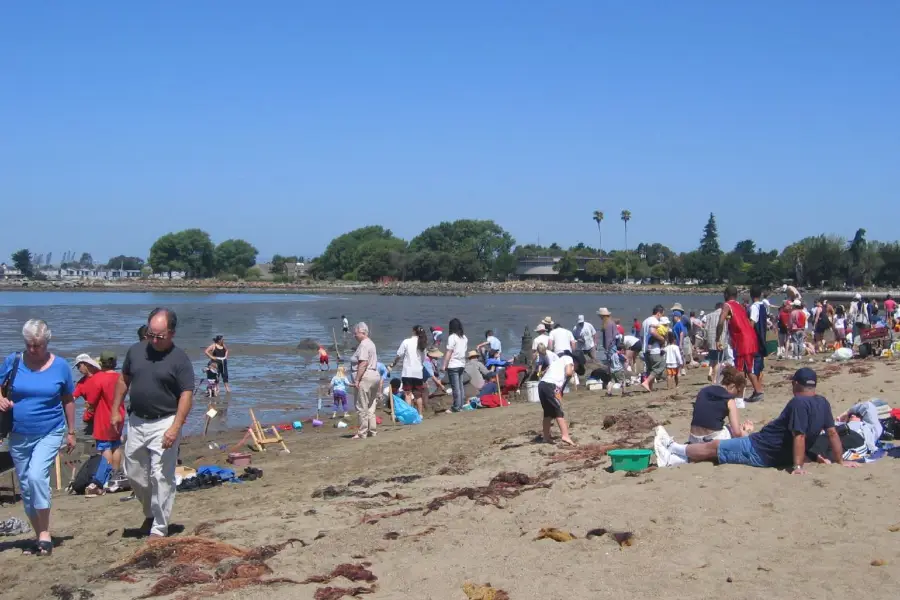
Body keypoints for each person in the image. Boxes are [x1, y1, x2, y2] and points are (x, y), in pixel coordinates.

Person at [656, 368, 859, 475]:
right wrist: (840, 461)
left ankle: (673, 448)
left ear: (796, 384)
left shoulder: (798, 403)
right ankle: (673, 460)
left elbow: (800, 435)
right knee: (720, 452)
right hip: (773, 451)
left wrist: (798, 467)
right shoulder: (822, 402)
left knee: (715, 448)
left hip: (760, 449)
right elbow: (832, 433)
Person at [111, 308, 194, 538]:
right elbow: (123, 379)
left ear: (172, 333)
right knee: (133, 472)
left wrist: (175, 427)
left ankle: (159, 528)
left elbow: (187, 394)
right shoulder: (136, 351)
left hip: (165, 421)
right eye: (150, 334)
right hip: (136, 420)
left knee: (161, 475)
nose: (154, 340)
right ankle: (150, 512)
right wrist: (115, 409)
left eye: (160, 336)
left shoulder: (180, 359)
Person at [0, 320, 76, 555]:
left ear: (47, 342)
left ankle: (44, 534)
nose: (33, 350)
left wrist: (71, 432)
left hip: (50, 431)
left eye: (38, 345)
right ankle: (39, 533)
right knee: (26, 486)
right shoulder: (13, 362)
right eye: (29, 345)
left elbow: (68, 399)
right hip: (18, 433)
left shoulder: (61, 366)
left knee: (36, 476)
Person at [654, 368, 754, 466]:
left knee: (727, 430)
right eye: (738, 391)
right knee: (736, 438)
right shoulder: (729, 401)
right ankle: (672, 448)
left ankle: (671, 459)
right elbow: (736, 433)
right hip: (711, 440)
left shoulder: (704, 390)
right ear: (732, 386)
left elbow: (706, 415)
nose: (736, 396)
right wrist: (746, 431)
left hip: (693, 438)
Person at [74, 351, 124, 497]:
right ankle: (114, 477)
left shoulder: (98, 378)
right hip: (119, 415)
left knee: (105, 448)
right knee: (115, 445)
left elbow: (92, 402)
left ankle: (102, 480)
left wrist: (87, 416)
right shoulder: (120, 377)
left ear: (100, 363)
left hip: (103, 417)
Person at [717, 286, 762, 402]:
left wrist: (717, 338)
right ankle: (757, 391)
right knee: (748, 367)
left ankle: (739, 395)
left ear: (726, 294)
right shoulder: (741, 306)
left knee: (741, 369)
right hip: (750, 337)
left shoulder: (727, 305)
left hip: (742, 339)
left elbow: (721, 321)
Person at [808, 401, 882, 463]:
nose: (852, 415)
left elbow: (868, 406)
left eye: (857, 415)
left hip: (855, 437)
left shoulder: (872, 426)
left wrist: (847, 412)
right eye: (850, 415)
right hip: (837, 433)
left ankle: (820, 455)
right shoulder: (841, 424)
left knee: (838, 442)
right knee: (826, 436)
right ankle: (819, 455)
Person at [350, 323, 381, 439]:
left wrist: (357, 380)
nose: (354, 335)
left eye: (355, 333)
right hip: (375, 375)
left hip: (366, 376)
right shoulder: (371, 343)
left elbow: (363, 363)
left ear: (363, 332)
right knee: (371, 405)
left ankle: (362, 432)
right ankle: (372, 431)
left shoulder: (363, 345)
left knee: (361, 406)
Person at [537, 355, 576, 447]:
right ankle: (565, 436)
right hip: (551, 385)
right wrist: (571, 373)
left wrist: (560, 390)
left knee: (548, 412)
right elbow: (569, 373)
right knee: (558, 410)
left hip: (542, 385)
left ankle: (546, 437)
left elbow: (544, 372)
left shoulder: (556, 362)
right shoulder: (568, 359)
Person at [393, 325, 429, 416]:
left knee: (408, 395)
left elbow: (399, 355)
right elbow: (423, 359)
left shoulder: (407, 342)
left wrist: (393, 364)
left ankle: (409, 414)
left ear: (413, 331)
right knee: (418, 395)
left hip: (408, 372)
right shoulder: (423, 344)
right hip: (418, 373)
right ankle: (420, 414)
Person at [441, 319, 468, 413]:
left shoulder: (452, 337)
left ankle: (456, 407)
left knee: (455, 387)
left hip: (453, 365)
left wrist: (444, 365)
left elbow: (449, 352)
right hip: (462, 364)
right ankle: (460, 405)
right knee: (460, 386)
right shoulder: (464, 337)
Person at [640, 305, 666, 392]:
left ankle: (649, 388)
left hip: (645, 349)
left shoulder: (645, 321)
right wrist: (662, 339)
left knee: (650, 369)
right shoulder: (654, 321)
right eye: (662, 315)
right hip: (654, 350)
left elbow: (641, 336)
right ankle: (646, 382)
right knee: (660, 365)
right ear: (658, 313)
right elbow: (652, 332)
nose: (661, 317)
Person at [74, 353, 100, 436]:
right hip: (90, 418)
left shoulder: (101, 376)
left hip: (104, 416)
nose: (78, 369)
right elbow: (72, 398)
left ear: (85, 364)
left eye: (78, 366)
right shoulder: (81, 383)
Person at [748, 286, 769, 387]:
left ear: (751, 295)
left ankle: (757, 388)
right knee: (760, 363)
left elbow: (752, 323)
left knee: (755, 363)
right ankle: (759, 385)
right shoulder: (763, 306)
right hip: (762, 336)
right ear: (760, 295)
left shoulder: (754, 307)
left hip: (755, 338)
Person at [704, 302, 725, 382]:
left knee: (712, 358)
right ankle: (715, 379)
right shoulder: (724, 315)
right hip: (720, 340)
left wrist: (705, 341)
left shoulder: (709, 315)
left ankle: (710, 372)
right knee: (718, 361)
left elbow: (705, 329)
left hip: (710, 340)